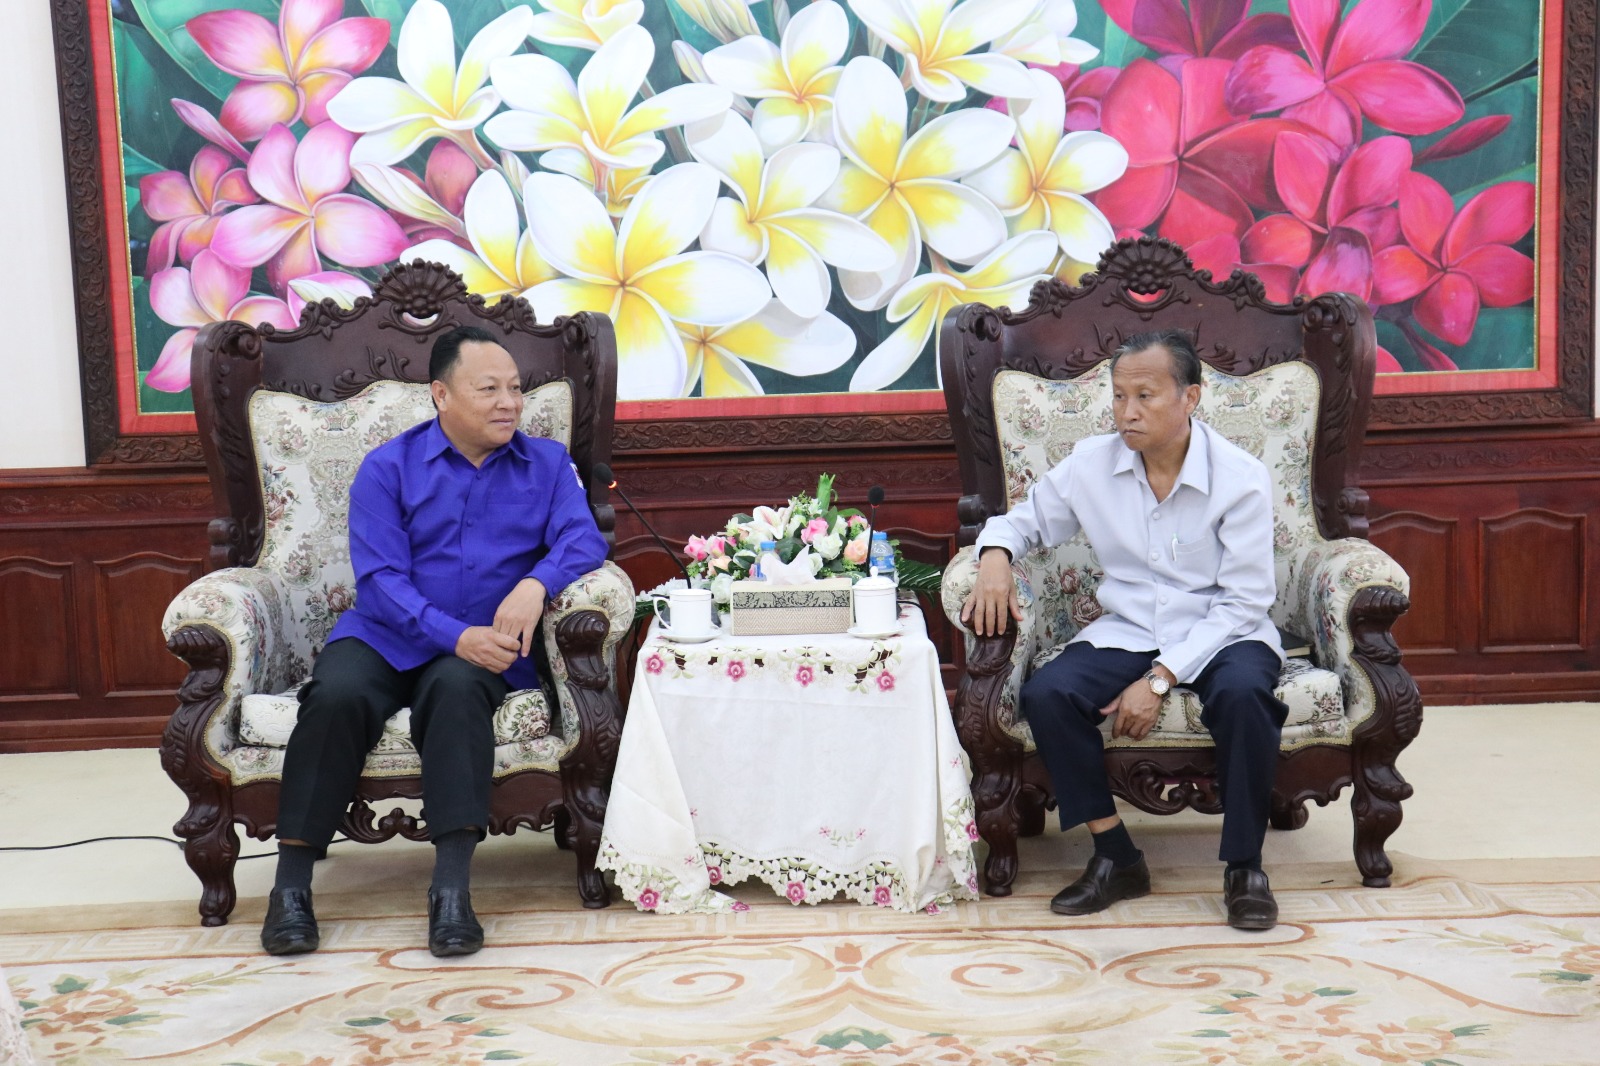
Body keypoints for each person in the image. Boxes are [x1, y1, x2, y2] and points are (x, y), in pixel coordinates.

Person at [261, 325, 609, 958]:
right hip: (387, 634)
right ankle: (290, 889)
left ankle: (450, 891)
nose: (509, 403)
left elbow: (583, 539)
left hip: (487, 648)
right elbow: (380, 582)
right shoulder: (387, 467)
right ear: (441, 395)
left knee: (455, 694)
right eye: (489, 389)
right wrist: (456, 635)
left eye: (515, 389)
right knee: (335, 696)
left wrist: (536, 583)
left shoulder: (547, 464)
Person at [962, 328, 1287, 931]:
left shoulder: (1239, 477)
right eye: (1117, 396)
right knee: (1048, 694)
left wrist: (1161, 680)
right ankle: (1116, 856)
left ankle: (1245, 869)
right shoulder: (1092, 464)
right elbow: (1021, 522)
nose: (1127, 412)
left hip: (1224, 632)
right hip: (1131, 627)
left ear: (1190, 397)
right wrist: (995, 557)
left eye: (1145, 396)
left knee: (1245, 695)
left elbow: (1244, 602)